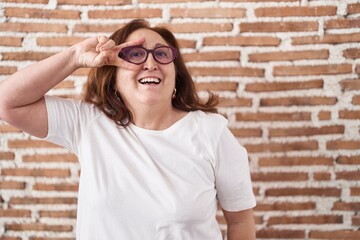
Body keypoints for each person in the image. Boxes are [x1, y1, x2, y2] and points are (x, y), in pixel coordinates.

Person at [0, 19, 256, 239]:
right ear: (113, 80)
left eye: (162, 54)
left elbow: (240, 221)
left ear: (176, 75)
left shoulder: (212, 132)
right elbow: (7, 102)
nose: (151, 62)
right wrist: (75, 56)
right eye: (135, 54)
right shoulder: (88, 123)